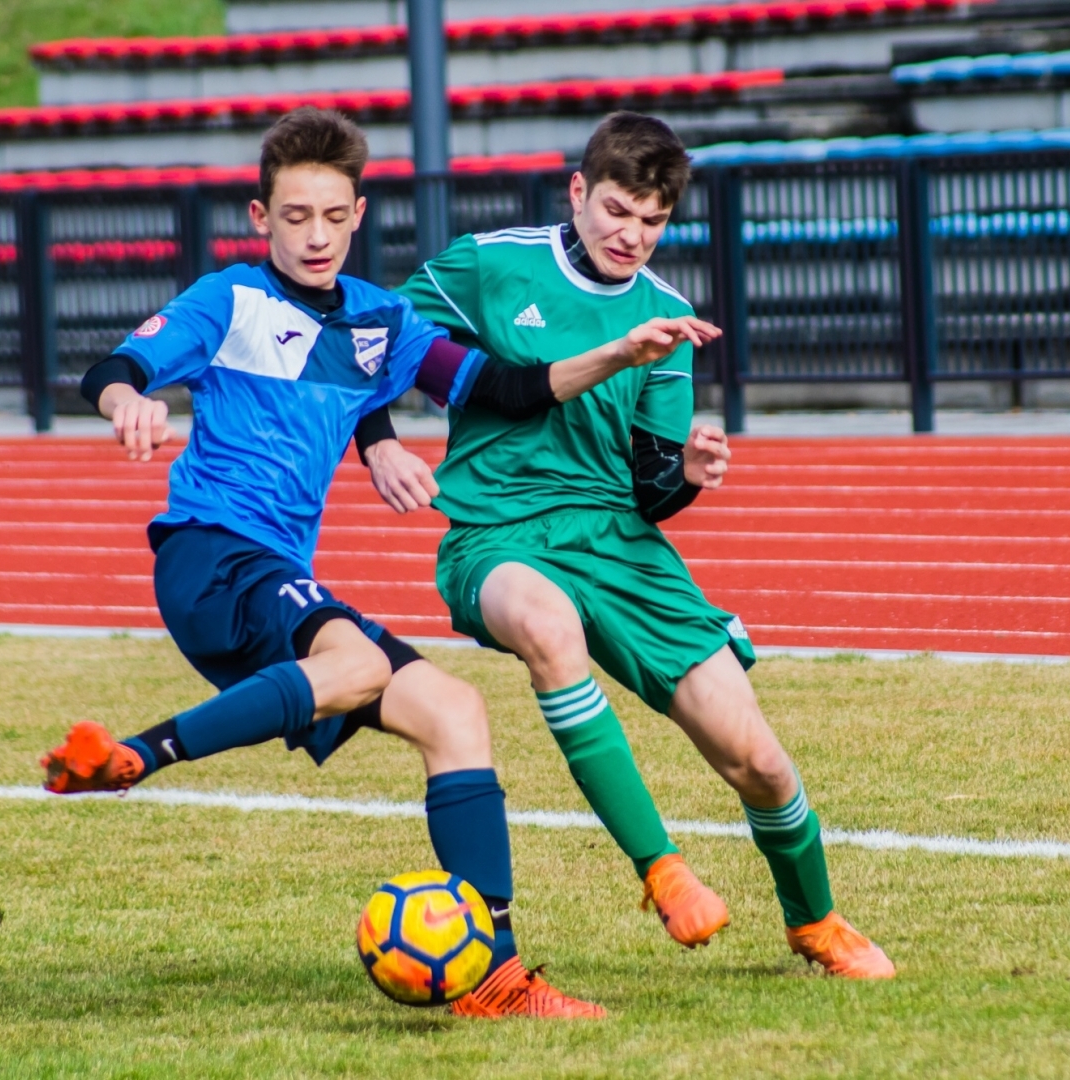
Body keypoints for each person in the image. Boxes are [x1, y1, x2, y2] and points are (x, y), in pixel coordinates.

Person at [39, 106, 716, 1018]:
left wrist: (619, 350)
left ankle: (497, 977)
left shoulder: (381, 321)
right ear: (259, 217)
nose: (314, 236)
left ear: (359, 216)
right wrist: (128, 401)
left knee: (453, 712)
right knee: (352, 663)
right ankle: (136, 755)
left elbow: (505, 390)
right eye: (293, 217)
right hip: (210, 556)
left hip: (271, 568)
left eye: (331, 216)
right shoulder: (227, 301)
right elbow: (114, 366)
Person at [354, 112, 895, 979]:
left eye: (652, 221)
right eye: (616, 210)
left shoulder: (670, 318)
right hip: (496, 533)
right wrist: (377, 437)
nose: (631, 235)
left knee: (755, 759)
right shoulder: (493, 263)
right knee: (545, 625)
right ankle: (663, 869)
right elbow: (369, 341)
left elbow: (649, 489)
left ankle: (815, 922)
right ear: (578, 193)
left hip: (619, 542)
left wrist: (686, 468)